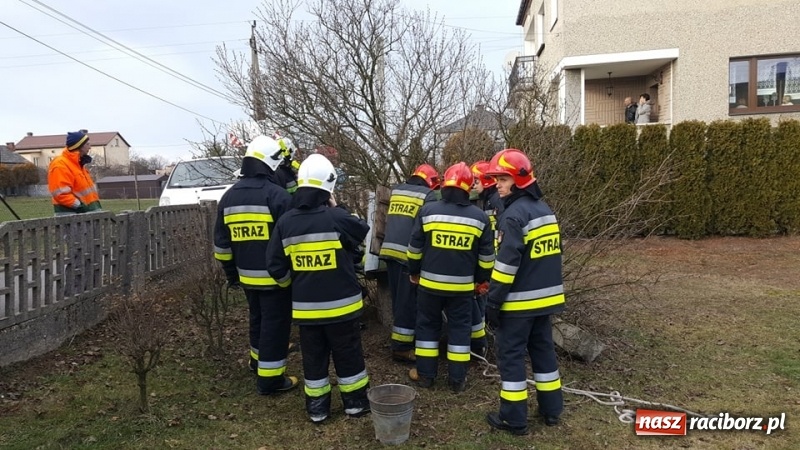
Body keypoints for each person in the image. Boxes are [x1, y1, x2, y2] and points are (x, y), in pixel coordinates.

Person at [266, 154, 371, 423]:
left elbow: (276, 267)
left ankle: (317, 409)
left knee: (313, 359)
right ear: (328, 188)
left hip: (306, 311)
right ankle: (356, 404)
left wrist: (294, 288)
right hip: (343, 308)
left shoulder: (286, 222)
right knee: (348, 355)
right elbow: (361, 229)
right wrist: (339, 206)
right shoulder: (337, 217)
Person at [483, 148, 565, 436]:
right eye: (495, 179)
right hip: (547, 301)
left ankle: (513, 418)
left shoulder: (513, 216)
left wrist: (493, 301)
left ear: (518, 180)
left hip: (518, 305)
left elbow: (506, 265)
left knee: (512, 358)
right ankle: (552, 410)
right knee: (544, 354)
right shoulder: (545, 211)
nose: (497, 185)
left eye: (502, 179)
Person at [213, 134, 299, 396]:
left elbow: (222, 245)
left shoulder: (228, 197)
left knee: (257, 319)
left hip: (246, 277)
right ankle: (270, 380)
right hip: (276, 279)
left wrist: (232, 275)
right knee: (275, 324)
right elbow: (291, 240)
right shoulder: (278, 196)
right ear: (271, 163)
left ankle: (257, 363)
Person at [406, 162, 494, 392]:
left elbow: (414, 248)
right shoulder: (479, 218)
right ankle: (457, 380)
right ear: (468, 188)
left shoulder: (427, 211)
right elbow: (486, 258)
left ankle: (426, 376)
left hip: (428, 287)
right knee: (459, 330)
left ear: (444, 184)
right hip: (462, 289)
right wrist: (480, 280)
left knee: (426, 328)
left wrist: (413, 272)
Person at [378, 164, 440, 363]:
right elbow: (423, 228)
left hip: (389, 251)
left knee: (399, 300)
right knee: (407, 303)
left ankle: (400, 342)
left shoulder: (396, 190)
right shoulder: (427, 196)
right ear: (430, 181)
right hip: (407, 254)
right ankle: (402, 348)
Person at [468, 161, 506, 356]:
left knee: (484, 301)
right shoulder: (485, 200)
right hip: (489, 258)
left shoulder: (495, 201)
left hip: (495, 261)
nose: (473, 185)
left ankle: (483, 344)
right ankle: (482, 343)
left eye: (476, 180)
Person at [47, 130, 101, 216]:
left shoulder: (78, 164)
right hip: (71, 217)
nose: (90, 147)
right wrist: (80, 206)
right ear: (79, 146)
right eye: (87, 144)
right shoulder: (60, 164)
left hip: (84, 216)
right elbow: (60, 193)